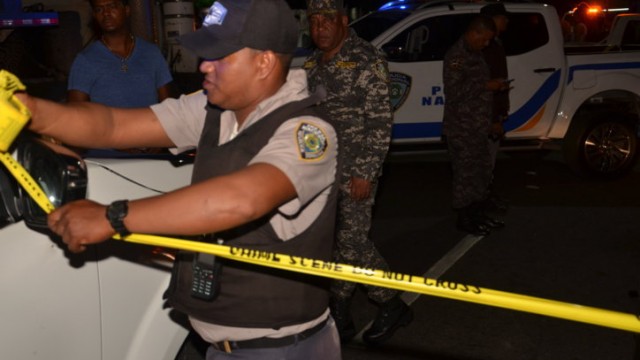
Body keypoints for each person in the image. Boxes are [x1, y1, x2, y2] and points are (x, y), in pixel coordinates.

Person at [16, 0, 341, 358]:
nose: (204, 66)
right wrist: (28, 110)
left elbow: (240, 199)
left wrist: (111, 217)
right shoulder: (213, 109)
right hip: (223, 347)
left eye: (220, 56)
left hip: (279, 349)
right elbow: (113, 125)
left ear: (263, 62)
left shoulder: (307, 133)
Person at [303, 0, 412, 346]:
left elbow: (380, 121)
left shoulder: (367, 59)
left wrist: (366, 171)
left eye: (327, 20)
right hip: (322, 171)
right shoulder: (312, 64)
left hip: (355, 169)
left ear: (344, 21)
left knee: (352, 241)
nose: (319, 27)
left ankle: (390, 302)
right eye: (314, 20)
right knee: (339, 241)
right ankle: (341, 312)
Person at [442, 15, 508, 236]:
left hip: (478, 126)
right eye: (484, 39)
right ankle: (465, 219)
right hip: (462, 128)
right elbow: (453, 93)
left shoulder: (475, 54)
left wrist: (489, 121)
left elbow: (479, 98)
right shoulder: (456, 56)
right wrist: (486, 85)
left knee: (480, 173)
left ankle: (478, 214)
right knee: (465, 176)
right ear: (474, 33)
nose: (486, 44)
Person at [67, 0, 172, 107]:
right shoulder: (85, 60)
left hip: (150, 123)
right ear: (94, 15)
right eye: (99, 9)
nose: (106, 13)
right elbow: (76, 114)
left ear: (126, 10)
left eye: (112, 7)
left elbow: (168, 106)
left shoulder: (151, 53)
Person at [480, 3, 511, 214]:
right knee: (483, 162)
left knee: (487, 162)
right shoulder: (487, 47)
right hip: (486, 114)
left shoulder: (495, 44)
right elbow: (485, 86)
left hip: (493, 111)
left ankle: (485, 198)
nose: (506, 21)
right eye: (503, 17)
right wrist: (493, 118)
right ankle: (481, 202)